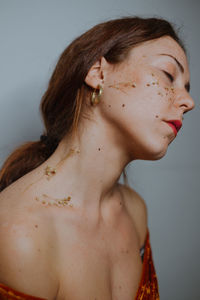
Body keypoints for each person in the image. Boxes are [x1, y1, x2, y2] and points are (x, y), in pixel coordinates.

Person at [0, 15, 194, 300]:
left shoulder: (134, 212)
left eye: (187, 89)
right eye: (168, 74)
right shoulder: (19, 235)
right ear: (98, 73)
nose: (189, 103)